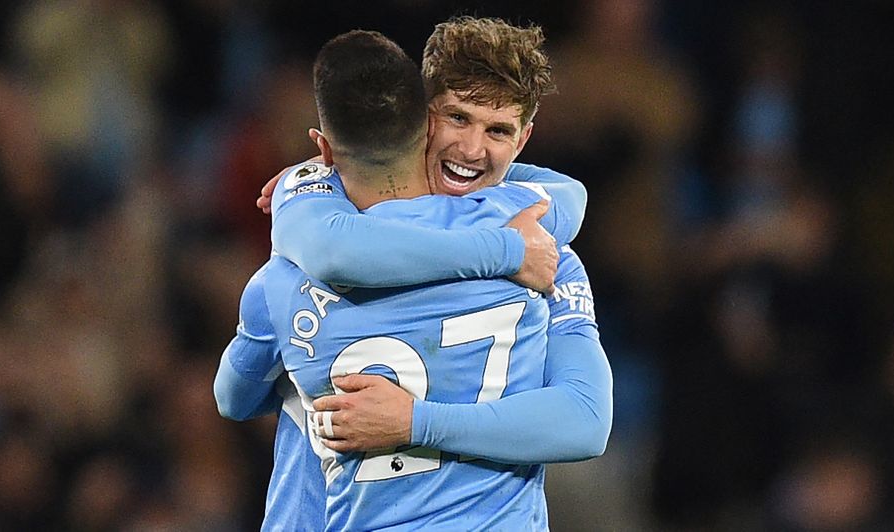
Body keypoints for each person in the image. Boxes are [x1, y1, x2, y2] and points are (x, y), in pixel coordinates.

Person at [217, 19, 612, 530]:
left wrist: (312, 179)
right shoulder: (539, 250)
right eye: (457, 118)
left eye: (497, 131)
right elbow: (582, 421)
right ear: (422, 118)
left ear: (524, 140)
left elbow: (234, 397)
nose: (472, 150)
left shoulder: (300, 257)